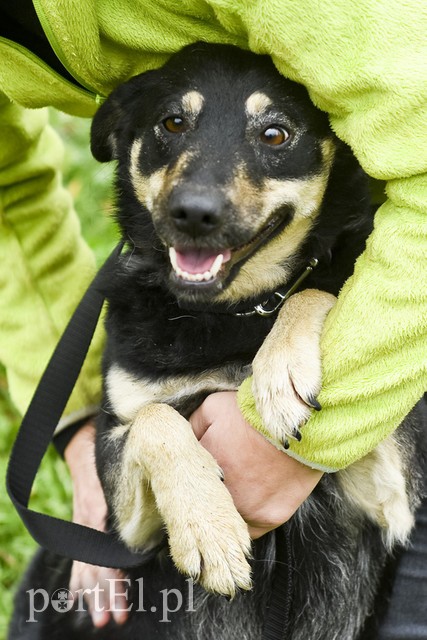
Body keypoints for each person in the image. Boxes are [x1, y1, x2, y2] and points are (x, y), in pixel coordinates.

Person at [0, 0, 426, 633]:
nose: (198, 198)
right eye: (172, 125)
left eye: (274, 137)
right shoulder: (145, 334)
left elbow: (394, 495)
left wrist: (317, 323)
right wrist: (113, 439)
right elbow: (7, 190)